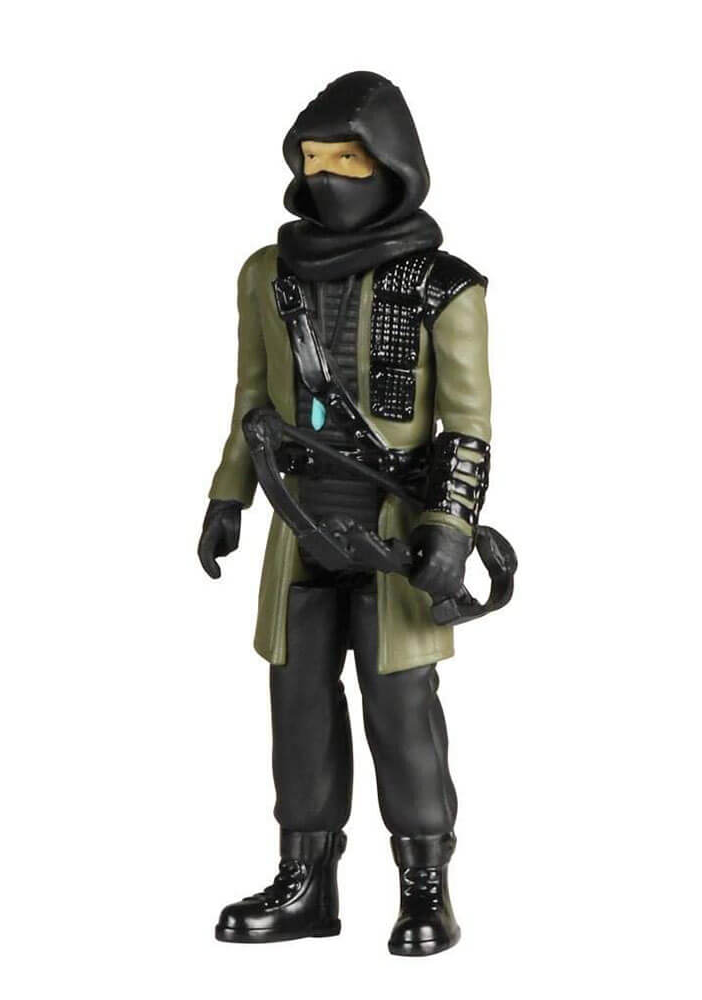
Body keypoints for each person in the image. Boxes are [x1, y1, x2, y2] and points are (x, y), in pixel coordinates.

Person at [199, 71, 494, 957]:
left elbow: (468, 426)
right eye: (312, 159)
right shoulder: (268, 276)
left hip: (396, 532)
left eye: (348, 159)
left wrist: (450, 529)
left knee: (401, 709)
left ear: (392, 165)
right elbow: (252, 400)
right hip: (300, 526)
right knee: (298, 703)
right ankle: (305, 881)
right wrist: (227, 495)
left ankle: (425, 885)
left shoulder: (444, 286)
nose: (326, 176)